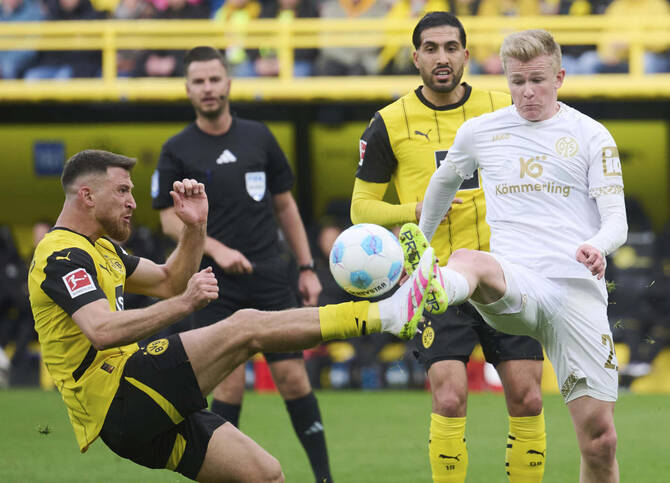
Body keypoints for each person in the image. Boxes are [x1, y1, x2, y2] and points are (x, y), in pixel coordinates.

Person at [28, 148, 441, 481]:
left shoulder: (102, 248)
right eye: (122, 191)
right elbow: (101, 329)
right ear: (87, 196)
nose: (132, 202)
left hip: (133, 409)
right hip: (117, 395)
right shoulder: (60, 255)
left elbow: (170, 280)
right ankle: (386, 313)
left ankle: (389, 312)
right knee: (245, 327)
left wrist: (196, 228)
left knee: (265, 474)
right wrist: (185, 304)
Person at [414, 28, 627, 483]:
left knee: (600, 442)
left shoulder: (592, 135)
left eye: (537, 80)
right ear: (507, 79)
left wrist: (598, 245)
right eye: (517, 81)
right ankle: (435, 287)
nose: (527, 92)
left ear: (560, 78)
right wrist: (420, 242)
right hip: (518, 282)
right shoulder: (481, 131)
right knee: (469, 259)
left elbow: (616, 222)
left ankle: (443, 285)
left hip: (575, 291)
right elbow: (443, 183)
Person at [351, 12, 546, 483]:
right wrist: (416, 209)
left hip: (505, 274)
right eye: (432, 49)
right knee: (450, 397)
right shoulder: (389, 122)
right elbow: (361, 208)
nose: (442, 57)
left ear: (466, 54)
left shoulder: (503, 106)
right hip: (436, 280)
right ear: (415, 57)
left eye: (451, 48)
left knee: (528, 398)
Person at [151, 46, 331, 482]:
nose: (208, 88)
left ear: (228, 83)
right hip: (214, 284)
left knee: (293, 379)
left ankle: (325, 478)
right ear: (188, 89)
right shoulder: (177, 149)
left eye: (214, 79)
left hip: (269, 276)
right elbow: (167, 221)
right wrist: (216, 250)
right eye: (199, 81)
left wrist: (306, 267)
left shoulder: (259, 137)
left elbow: (285, 206)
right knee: (229, 384)